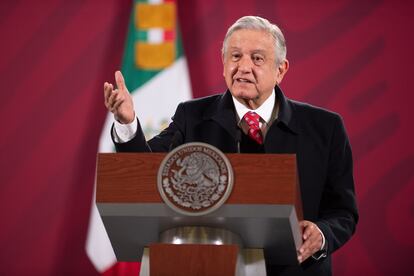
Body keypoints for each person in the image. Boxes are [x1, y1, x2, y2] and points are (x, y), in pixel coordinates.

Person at [103, 15, 358, 276]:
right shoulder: (192, 117)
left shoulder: (326, 127)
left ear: (281, 70)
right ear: (223, 64)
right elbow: (145, 173)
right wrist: (127, 123)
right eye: (235, 56)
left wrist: (322, 234)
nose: (244, 67)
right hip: (207, 266)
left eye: (257, 58)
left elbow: (343, 212)